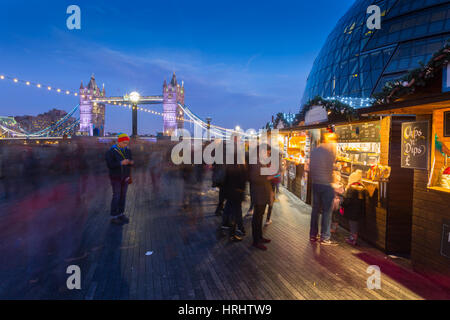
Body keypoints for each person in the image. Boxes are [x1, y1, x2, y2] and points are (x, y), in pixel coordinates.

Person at [309, 132, 338, 245]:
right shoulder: (329, 152)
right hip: (326, 185)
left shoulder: (314, 150)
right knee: (327, 211)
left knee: (315, 210)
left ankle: (313, 234)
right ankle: (325, 237)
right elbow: (331, 169)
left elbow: (311, 168)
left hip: (316, 184)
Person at [249, 145, 274, 251]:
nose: (268, 154)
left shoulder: (261, 161)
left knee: (260, 215)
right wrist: (268, 176)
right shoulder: (256, 162)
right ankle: (256, 241)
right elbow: (254, 178)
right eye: (268, 152)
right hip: (258, 193)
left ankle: (259, 237)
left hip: (262, 192)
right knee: (257, 217)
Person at [105, 133, 134, 225]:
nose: (126, 144)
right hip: (116, 176)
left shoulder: (128, 150)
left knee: (123, 196)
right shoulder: (111, 151)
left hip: (125, 176)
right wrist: (121, 163)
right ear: (119, 141)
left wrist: (130, 163)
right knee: (116, 196)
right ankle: (114, 216)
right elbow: (110, 165)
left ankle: (121, 213)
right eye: (124, 142)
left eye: (127, 143)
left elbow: (130, 162)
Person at [222, 159, 248, 242]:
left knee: (231, 210)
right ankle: (232, 235)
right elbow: (242, 180)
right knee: (235, 213)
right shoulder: (239, 166)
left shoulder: (230, 164)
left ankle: (227, 226)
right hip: (236, 193)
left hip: (231, 192)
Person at [342, 170, 366, 246]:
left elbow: (347, 201)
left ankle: (353, 239)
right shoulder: (363, 188)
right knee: (355, 225)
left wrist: (342, 205)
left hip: (351, 211)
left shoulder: (351, 188)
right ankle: (352, 238)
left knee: (353, 225)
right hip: (360, 211)